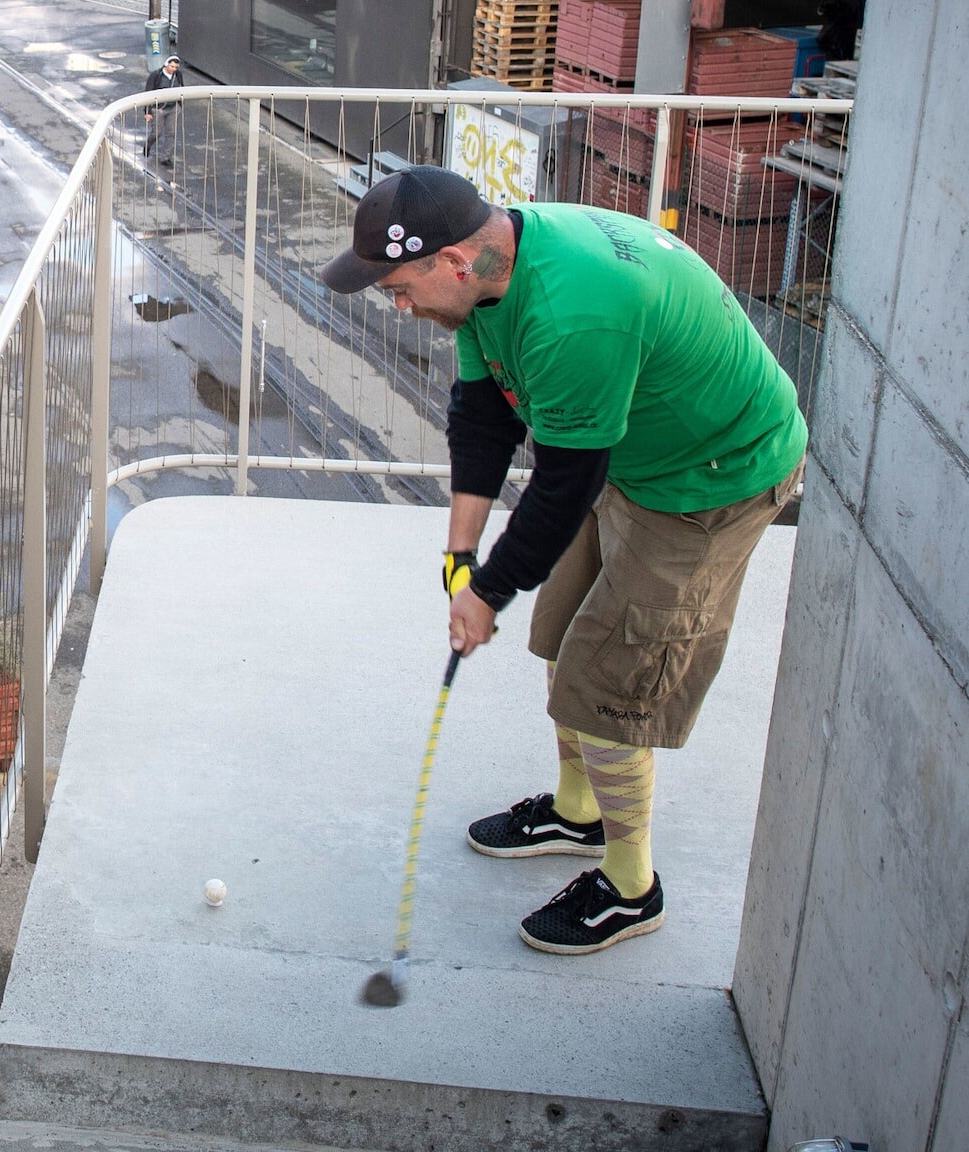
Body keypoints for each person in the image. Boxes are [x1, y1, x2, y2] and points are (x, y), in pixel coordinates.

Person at [318, 166, 807, 956]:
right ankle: (578, 811)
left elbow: (562, 489)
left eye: (398, 289)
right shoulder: (490, 278)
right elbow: (483, 417)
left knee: (610, 686)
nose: (398, 307)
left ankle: (630, 885)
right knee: (563, 638)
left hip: (712, 477)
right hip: (631, 457)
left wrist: (487, 596)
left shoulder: (575, 317)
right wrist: (461, 555)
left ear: (453, 263)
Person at [142, 55, 183, 165]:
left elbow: (182, 88)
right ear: (166, 65)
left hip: (173, 108)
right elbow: (148, 92)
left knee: (171, 133)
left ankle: (166, 157)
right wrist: (147, 111)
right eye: (172, 66)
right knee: (156, 133)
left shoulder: (178, 75)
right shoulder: (156, 75)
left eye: (176, 67)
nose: (173, 69)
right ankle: (148, 144)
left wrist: (179, 105)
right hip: (158, 109)